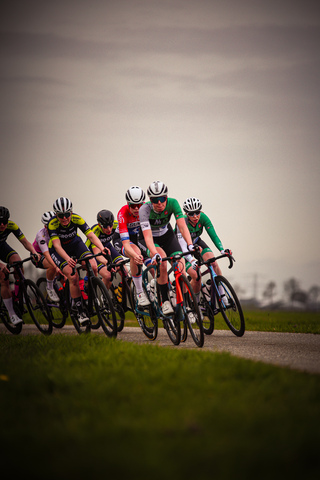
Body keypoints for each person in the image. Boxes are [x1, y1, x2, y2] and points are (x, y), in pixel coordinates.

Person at [48, 197, 109, 324]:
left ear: (71, 212)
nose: (64, 218)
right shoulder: (52, 224)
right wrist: (68, 259)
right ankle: (80, 311)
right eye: (60, 215)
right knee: (73, 276)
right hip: (58, 250)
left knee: (93, 266)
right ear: (56, 215)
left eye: (67, 214)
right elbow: (57, 246)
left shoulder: (77, 218)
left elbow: (91, 235)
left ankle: (90, 292)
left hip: (75, 244)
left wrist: (102, 248)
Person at [138, 181, 195, 315]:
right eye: (155, 200)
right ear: (150, 200)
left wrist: (190, 244)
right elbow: (147, 237)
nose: (159, 203)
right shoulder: (144, 210)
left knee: (181, 267)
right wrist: (154, 253)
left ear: (166, 198)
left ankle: (185, 305)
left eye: (162, 199)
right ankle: (165, 302)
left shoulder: (173, 203)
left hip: (166, 235)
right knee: (162, 262)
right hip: (150, 239)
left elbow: (182, 226)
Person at [176, 196, 232, 304]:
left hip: (196, 242)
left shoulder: (203, 218)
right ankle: (195, 304)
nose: (195, 216)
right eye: (191, 214)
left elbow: (213, 235)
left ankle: (222, 295)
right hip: (182, 246)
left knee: (214, 264)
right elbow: (183, 246)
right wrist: (191, 260)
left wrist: (222, 250)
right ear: (186, 214)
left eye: (197, 212)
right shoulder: (182, 222)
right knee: (197, 276)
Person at [0, 206, 39, 325]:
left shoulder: (12, 225)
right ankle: (12, 314)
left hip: (2, 247)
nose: (2, 225)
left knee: (18, 263)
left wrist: (34, 252)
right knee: (3, 277)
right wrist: (1, 266)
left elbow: (25, 242)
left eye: (5, 222)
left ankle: (17, 296)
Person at [113, 186, 150, 307]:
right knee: (136, 253)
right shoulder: (122, 213)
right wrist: (135, 256)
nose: (136, 208)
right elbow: (126, 244)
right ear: (128, 204)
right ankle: (139, 293)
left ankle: (154, 288)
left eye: (138, 205)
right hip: (122, 239)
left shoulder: (146, 209)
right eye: (132, 205)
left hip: (138, 237)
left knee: (153, 264)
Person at [85, 209, 122, 289]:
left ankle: (123, 288)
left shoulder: (116, 224)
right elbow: (97, 254)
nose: (109, 229)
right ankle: (104, 297)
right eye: (105, 227)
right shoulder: (95, 230)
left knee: (122, 267)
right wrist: (108, 263)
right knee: (108, 276)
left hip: (107, 246)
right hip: (94, 252)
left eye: (110, 226)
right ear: (99, 225)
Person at [31, 211, 61, 302]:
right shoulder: (41, 235)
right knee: (52, 265)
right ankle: (49, 287)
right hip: (40, 255)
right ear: (45, 226)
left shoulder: (59, 230)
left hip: (52, 252)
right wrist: (56, 267)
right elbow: (46, 254)